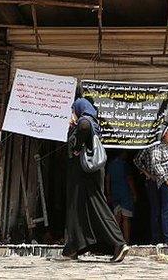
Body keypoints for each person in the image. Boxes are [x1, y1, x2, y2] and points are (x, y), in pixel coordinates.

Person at [63, 99, 130, 262]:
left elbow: (84, 127)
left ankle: (119, 243)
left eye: (73, 110)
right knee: (77, 208)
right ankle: (72, 248)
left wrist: (78, 146)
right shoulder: (88, 122)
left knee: (97, 206)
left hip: (86, 174)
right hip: (81, 176)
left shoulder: (85, 121)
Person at [135, 126, 168, 245]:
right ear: (164, 134)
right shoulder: (157, 146)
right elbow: (156, 164)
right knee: (166, 210)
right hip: (167, 182)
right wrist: (166, 179)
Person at [105, 151, 137, 243]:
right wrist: (134, 193)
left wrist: (108, 194)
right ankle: (126, 241)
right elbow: (129, 179)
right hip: (125, 193)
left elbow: (107, 179)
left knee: (117, 217)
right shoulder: (124, 165)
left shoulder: (110, 165)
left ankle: (117, 241)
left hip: (115, 193)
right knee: (126, 218)